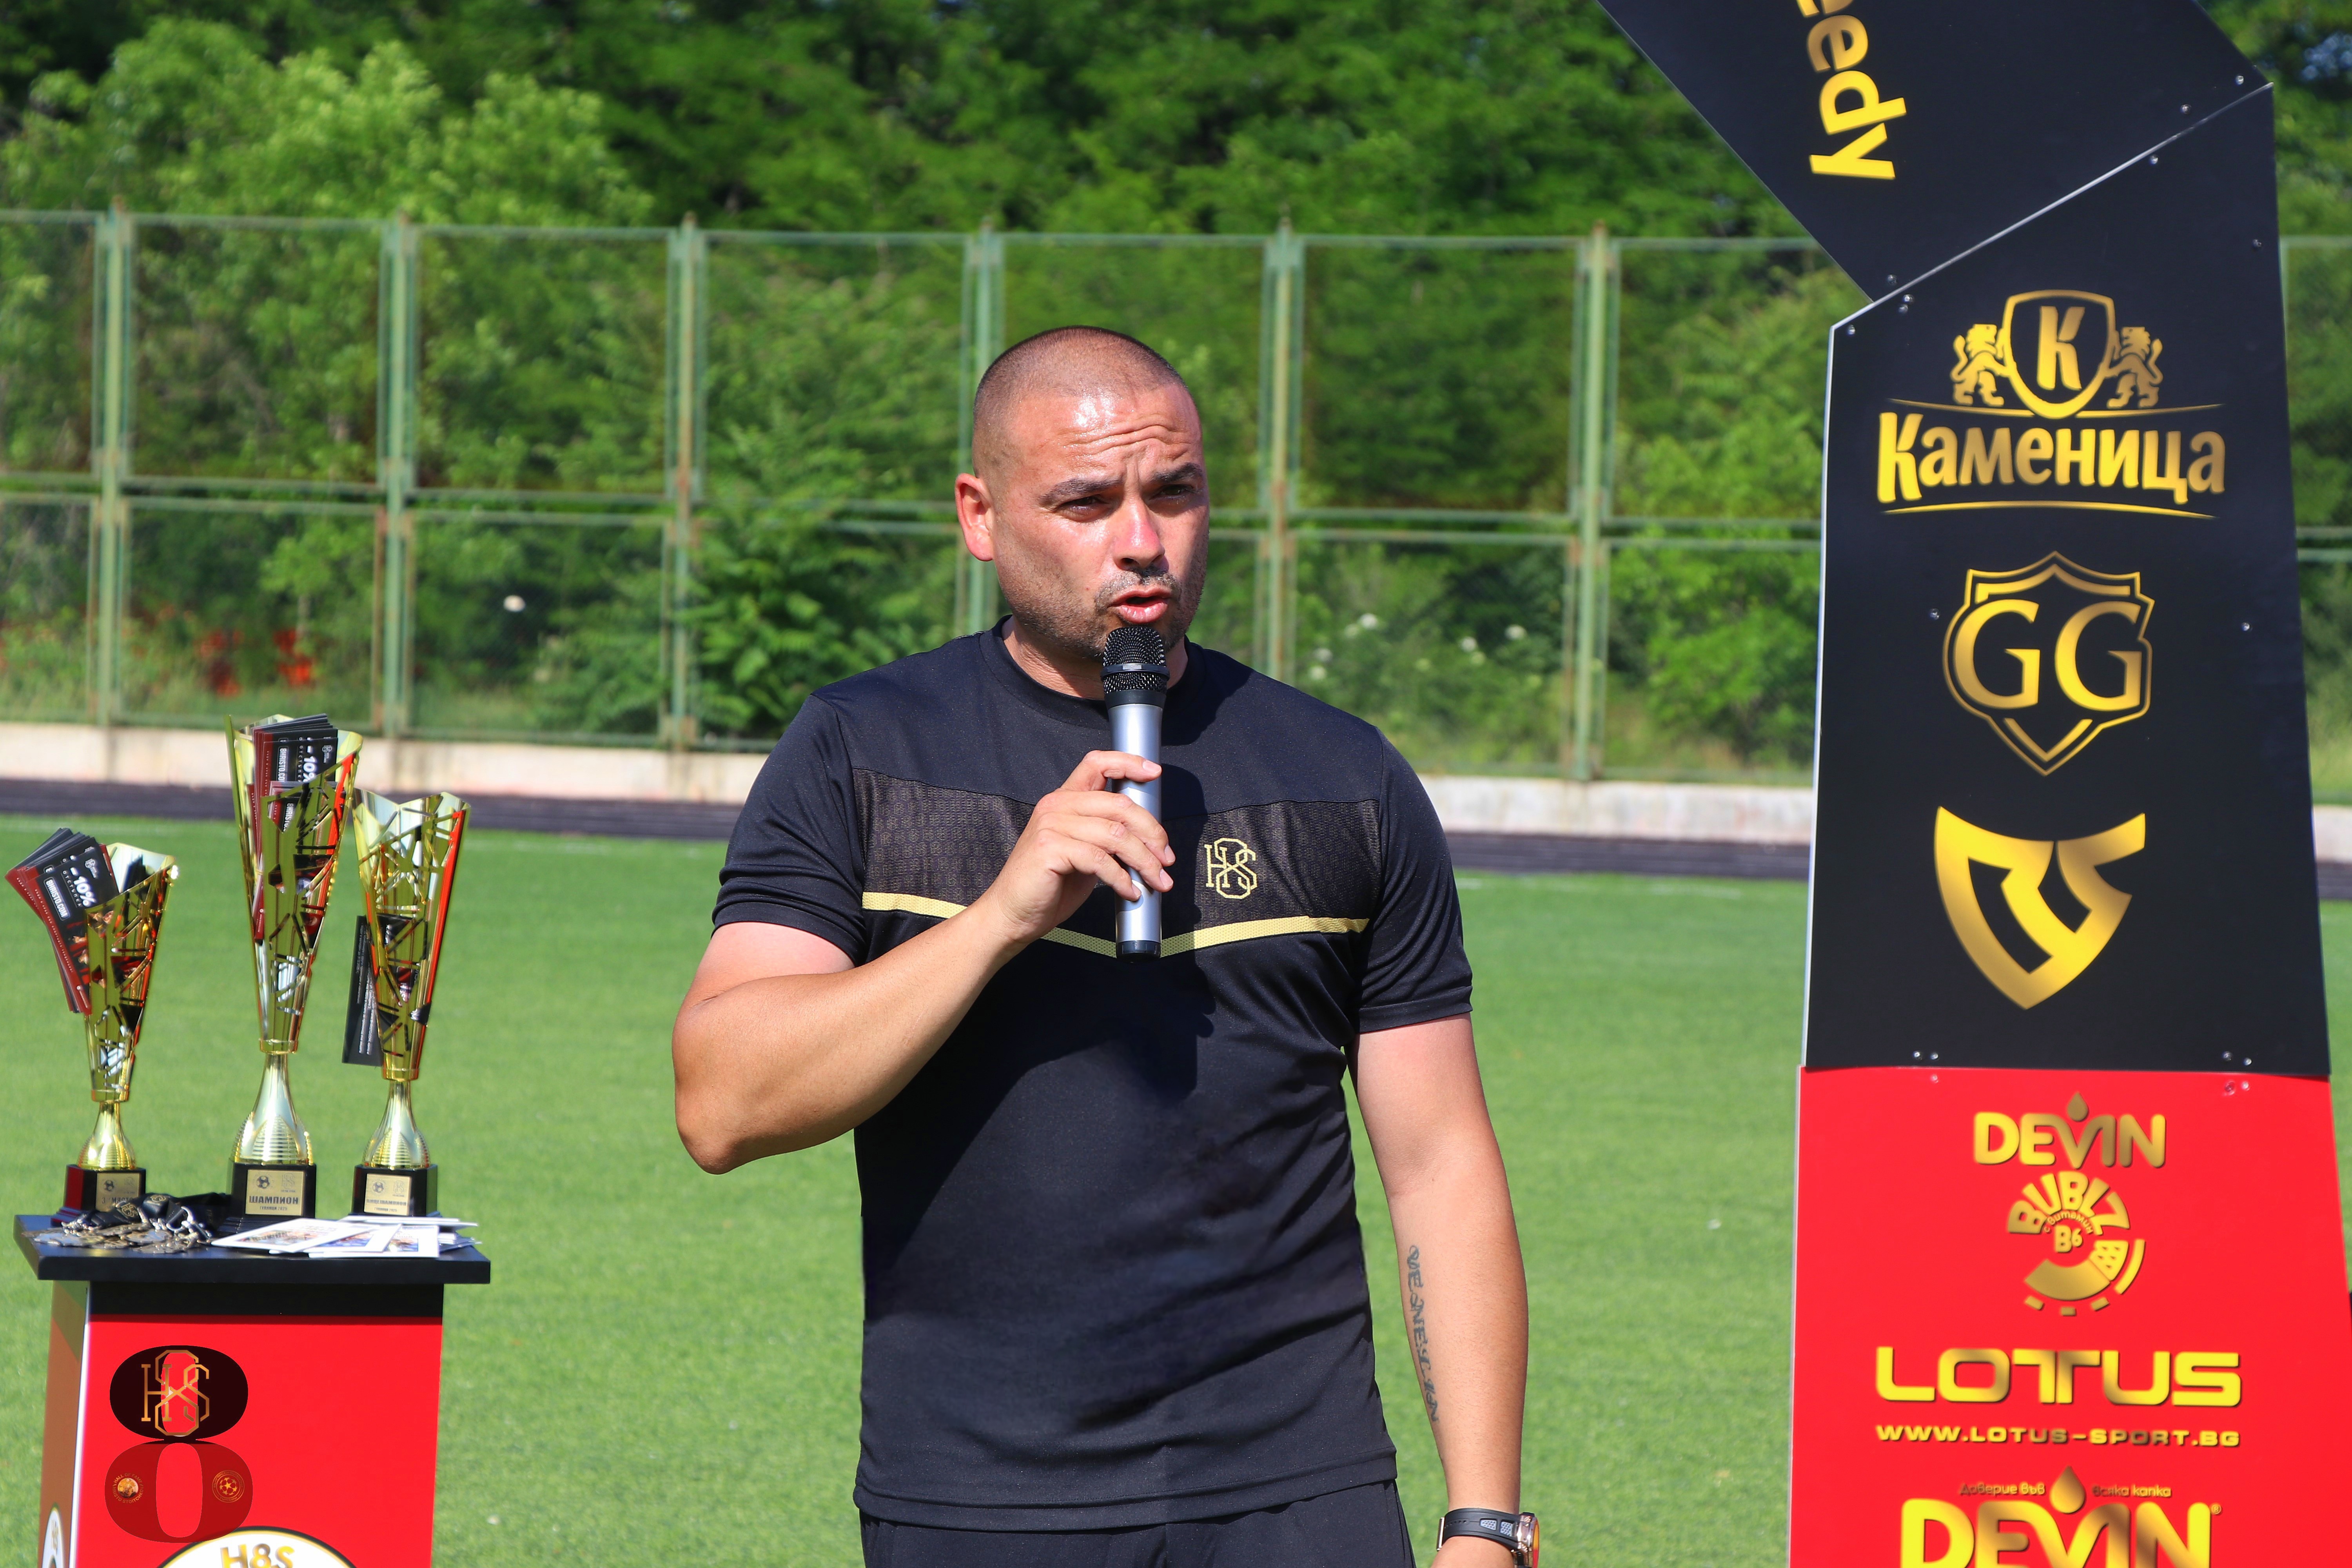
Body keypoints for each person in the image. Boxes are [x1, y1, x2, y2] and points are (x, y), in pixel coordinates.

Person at [673, 326, 1530, 1567]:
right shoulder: (863, 752)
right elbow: (724, 1104)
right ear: (980, 516)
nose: (1141, 540)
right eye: (1085, 502)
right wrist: (1001, 918)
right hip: (979, 1496)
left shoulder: (1345, 778)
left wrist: (1487, 1524)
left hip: (1301, 1492)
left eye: (1173, 492)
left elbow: (1440, 1165)